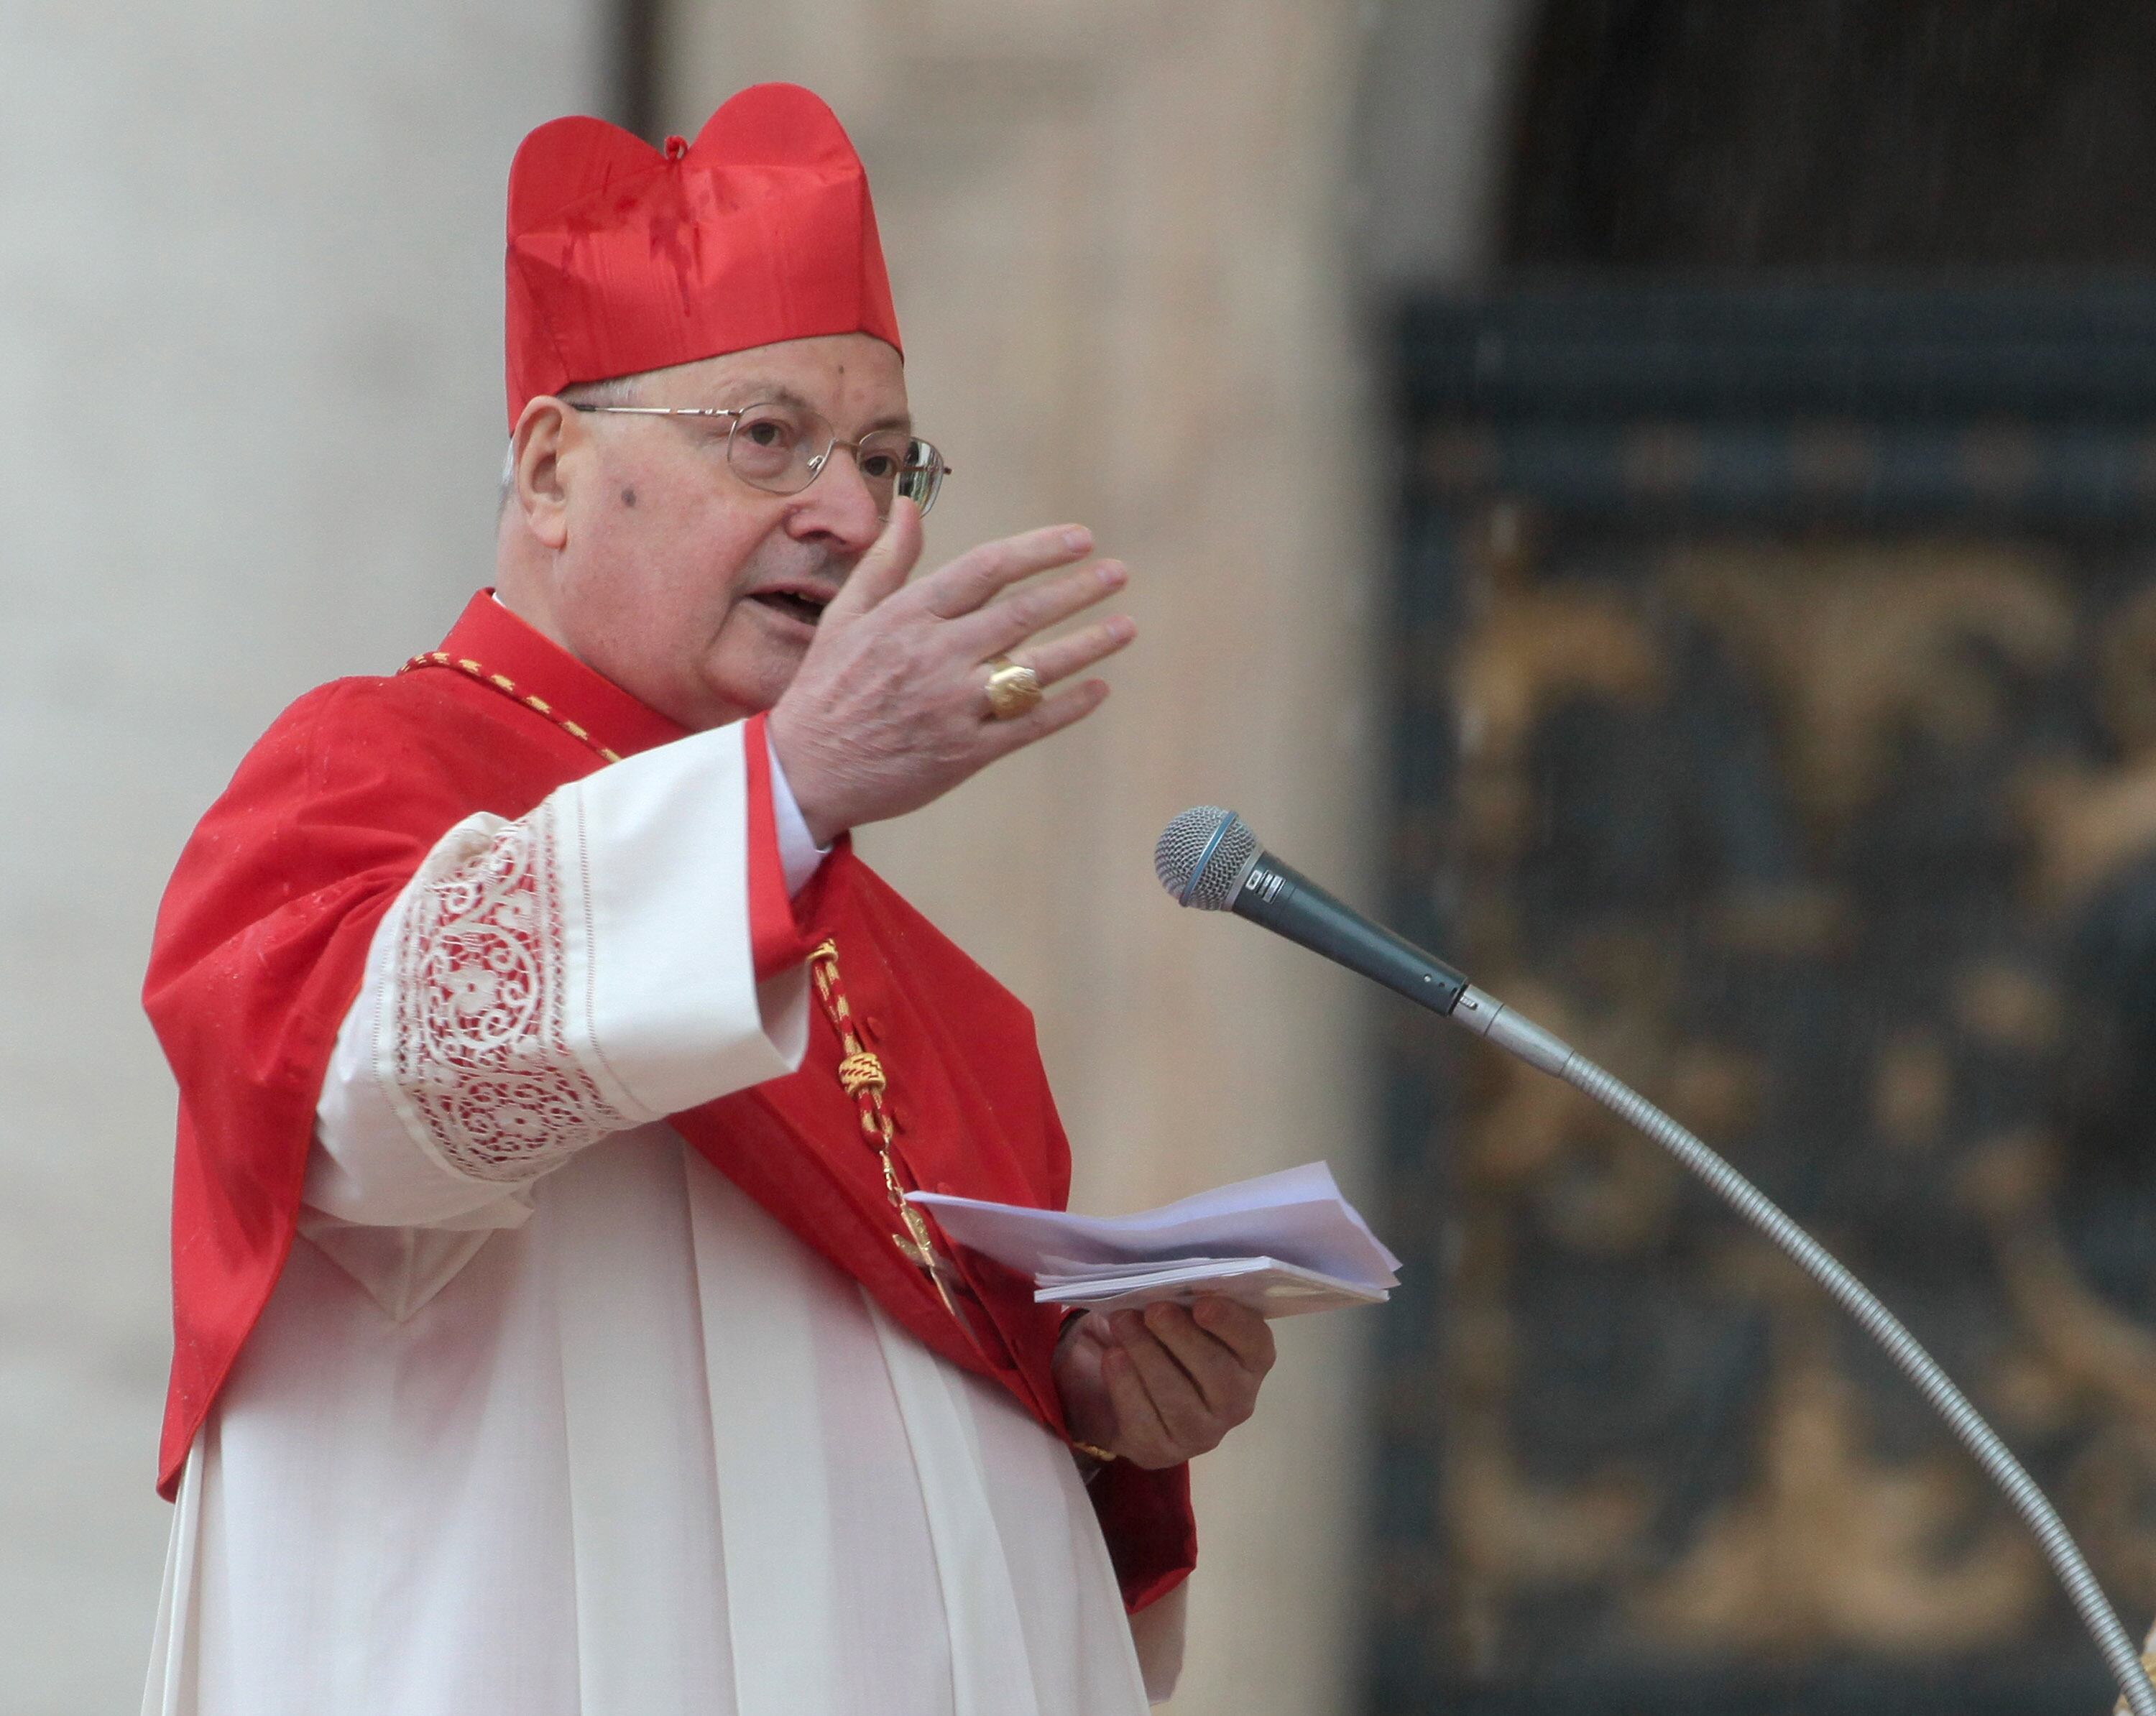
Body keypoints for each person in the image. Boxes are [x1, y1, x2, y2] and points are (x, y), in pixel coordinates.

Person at [137, 83, 1282, 1716]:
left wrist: (1101, 1399)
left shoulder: (926, 981)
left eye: (888, 460)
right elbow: (364, 1099)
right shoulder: (364, 774)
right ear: (547, 469)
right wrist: (793, 793)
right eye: (767, 437)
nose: (850, 509)